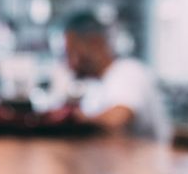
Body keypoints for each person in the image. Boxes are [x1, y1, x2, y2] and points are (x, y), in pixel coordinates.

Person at [59, 11, 171, 139]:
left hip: (146, 158)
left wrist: (73, 118)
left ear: (95, 43)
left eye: (71, 52)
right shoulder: (96, 86)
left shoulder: (128, 71)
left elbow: (116, 119)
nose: (68, 64)